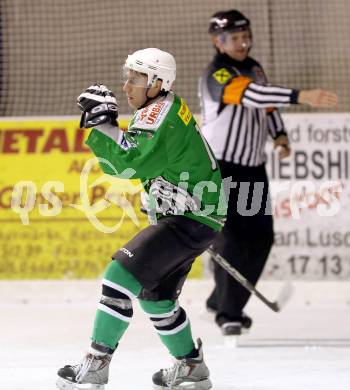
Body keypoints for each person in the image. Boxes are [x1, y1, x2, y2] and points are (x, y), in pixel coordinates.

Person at [56, 48, 226, 390]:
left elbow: (128, 164)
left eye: (136, 78)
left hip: (189, 217)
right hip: (195, 217)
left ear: (158, 82)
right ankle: (191, 366)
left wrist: (100, 125)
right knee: (157, 298)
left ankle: (95, 366)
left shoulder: (159, 113)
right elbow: (145, 164)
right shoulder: (161, 109)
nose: (127, 85)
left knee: (118, 276)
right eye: (128, 76)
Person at [199, 9, 338, 336]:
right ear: (218, 42)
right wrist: (302, 96)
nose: (244, 42)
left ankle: (221, 299)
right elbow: (253, 95)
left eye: (246, 35)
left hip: (252, 168)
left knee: (261, 237)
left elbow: (267, 107)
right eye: (235, 38)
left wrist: (280, 135)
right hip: (222, 168)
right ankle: (228, 313)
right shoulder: (217, 74)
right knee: (233, 238)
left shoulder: (255, 68)